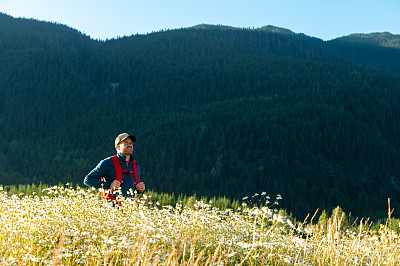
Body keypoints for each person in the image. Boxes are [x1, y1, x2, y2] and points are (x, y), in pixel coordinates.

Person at [84, 133, 145, 202]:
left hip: (131, 209)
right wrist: (109, 185)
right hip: (112, 210)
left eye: (131, 143)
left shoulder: (136, 165)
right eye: (126, 142)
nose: (130, 145)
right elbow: (88, 180)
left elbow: (133, 188)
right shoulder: (107, 163)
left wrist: (140, 189)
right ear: (118, 147)